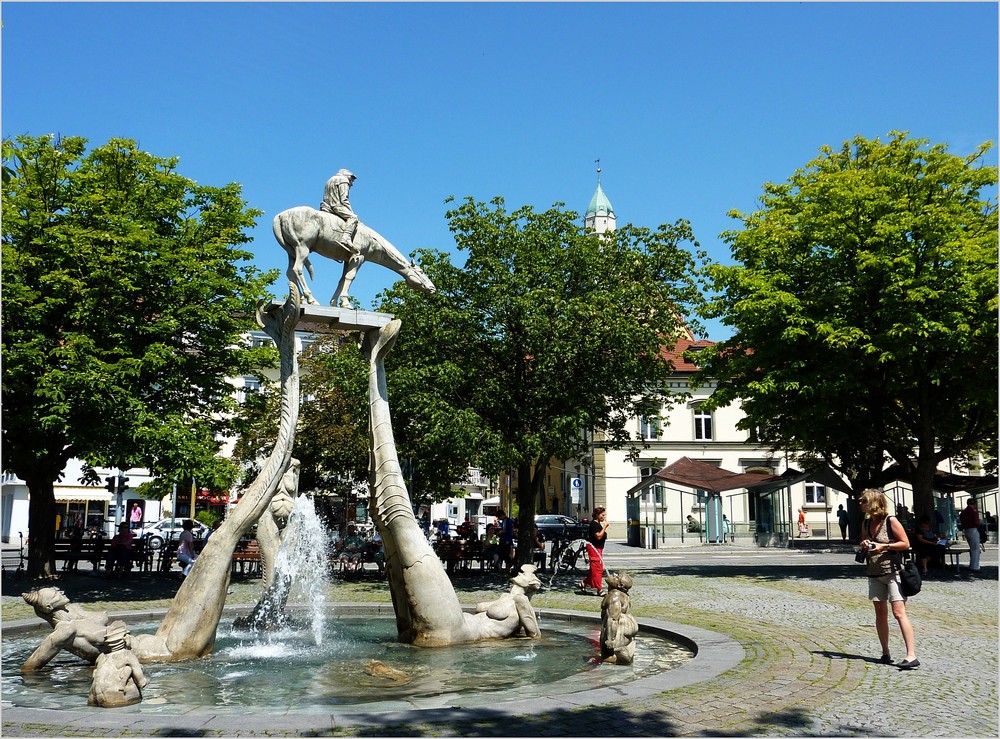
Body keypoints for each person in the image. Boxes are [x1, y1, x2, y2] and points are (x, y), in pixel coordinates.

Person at [859, 488, 918, 669]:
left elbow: (905, 544)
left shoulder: (890, 521)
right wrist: (865, 544)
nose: (860, 503)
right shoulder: (866, 523)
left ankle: (911, 655)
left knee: (899, 613)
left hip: (893, 572)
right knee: (880, 612)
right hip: (874, 572)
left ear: (874, 503)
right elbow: (864, 542)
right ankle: (885, 652)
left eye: (863, 501)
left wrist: (883, 547)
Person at [320, 168, 359, 249]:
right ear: (348, 176)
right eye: (352, 180)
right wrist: (351, 211)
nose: (352, 184)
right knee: (353, 218)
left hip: (325, 206)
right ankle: (346, 238)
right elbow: (344, 199)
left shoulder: (330, 180)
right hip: (336, 206)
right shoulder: (344, 180)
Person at [580, 507, 609, 596]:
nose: (604, 516)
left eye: (604, 515)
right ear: (597, 515)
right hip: (594, 548)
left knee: (595, 570)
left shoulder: (598, 524)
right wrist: (605, 527)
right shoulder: (594, 524)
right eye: (602, 515)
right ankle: (599, 589)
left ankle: (584, 583)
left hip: (598, 548)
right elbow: (598, 536)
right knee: (597, 569)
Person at [959, 498, 982, 574]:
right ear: (974, 504)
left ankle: (972, 565)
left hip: (966, 530)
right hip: (973, 530)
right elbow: (976, 522)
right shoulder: (974, 511)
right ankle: (975, 566)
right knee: (975, 549)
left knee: (972, 548)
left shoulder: (963, 512)